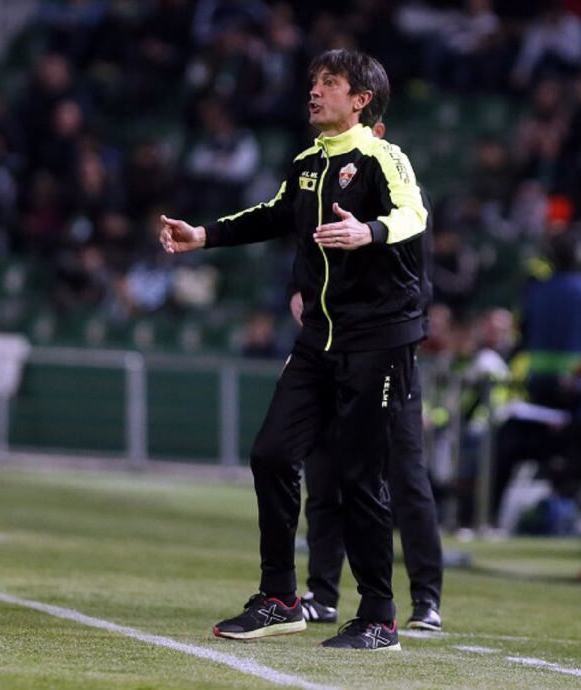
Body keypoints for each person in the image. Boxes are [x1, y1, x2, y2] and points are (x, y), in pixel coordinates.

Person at [160, 49, 428, 650]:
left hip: (378, 339)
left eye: (329, 83)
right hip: (320, 340)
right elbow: (276, 213)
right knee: (272, 454)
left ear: (360, 100)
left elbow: (414, 215)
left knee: (361, 476)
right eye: (314, 82)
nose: (314, 92)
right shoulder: (310, 162)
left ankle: (380, 616)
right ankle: (280, 597)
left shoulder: (384, 157)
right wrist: (203, 235)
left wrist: (370, 231)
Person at [291, 118, 444, 629]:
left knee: (403, 475)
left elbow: (413, 279)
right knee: (326, 473)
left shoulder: (398, 203)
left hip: (386, 356)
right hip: (337, 353)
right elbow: (309, 261)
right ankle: (323, 593)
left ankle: (426, 599)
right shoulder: (330, 192)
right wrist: (304, 297)